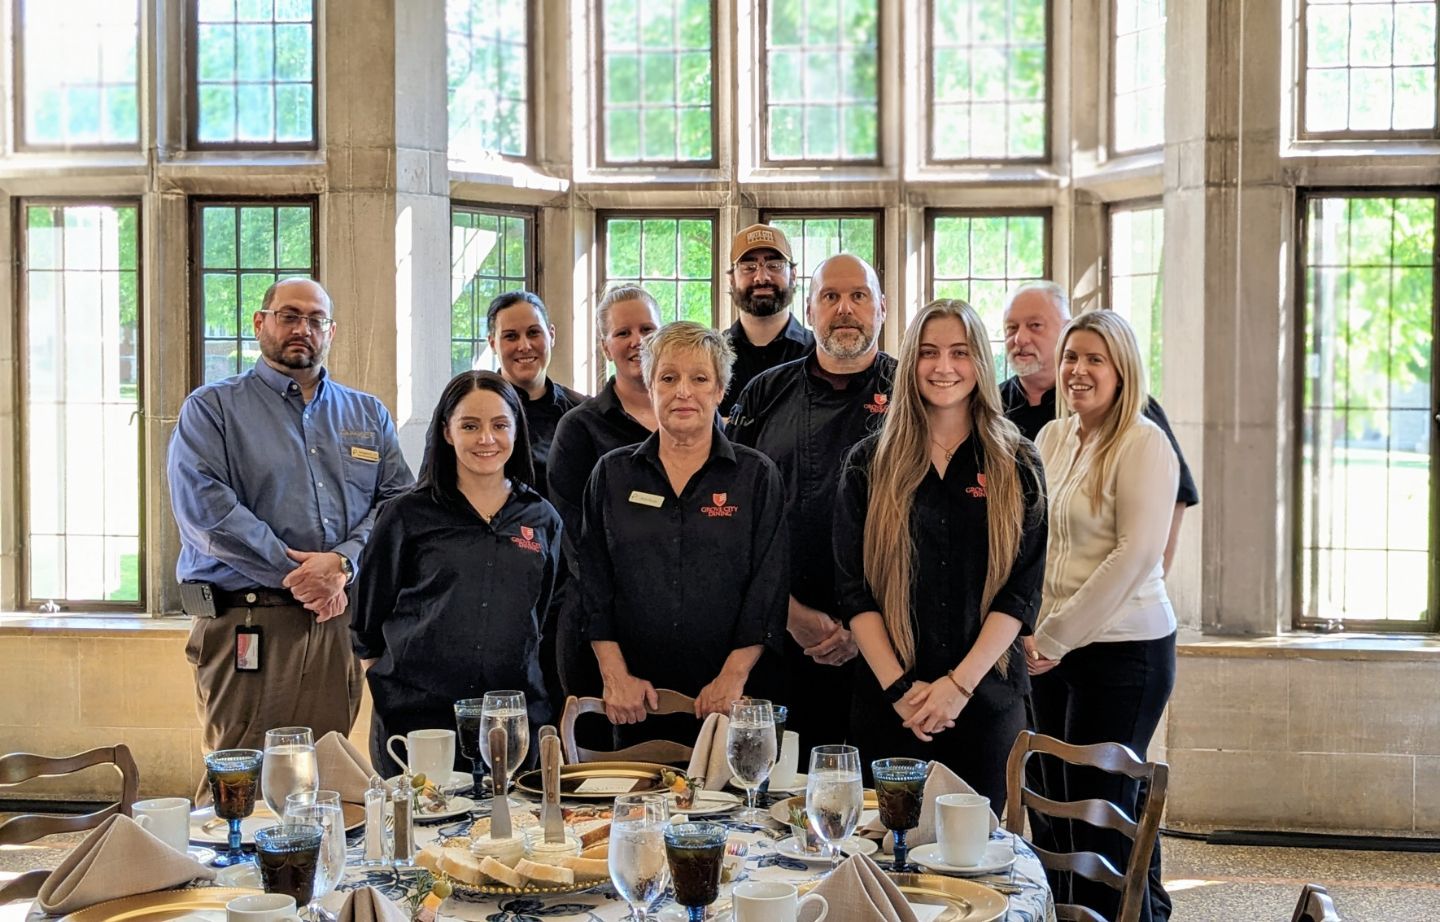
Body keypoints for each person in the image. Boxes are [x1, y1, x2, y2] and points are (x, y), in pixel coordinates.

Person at [169, 277, 413, 762]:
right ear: (261, 323)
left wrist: (342, 565)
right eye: (290, 316)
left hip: (335, 626)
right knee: (240, 784)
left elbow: (396, 504)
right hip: (248, 622)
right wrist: (304, 576)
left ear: (331, 331)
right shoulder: (212, 409)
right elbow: (208, 512)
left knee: (327, 780)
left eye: (315, 320)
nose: (303, 328)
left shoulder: (367, 415)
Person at [832, 300, 1047, 809]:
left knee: (987, 867)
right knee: (886, 863)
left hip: (987, 702)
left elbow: (1021, 592)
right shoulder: (868, 464)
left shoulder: (1018, 461)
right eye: (928, 353)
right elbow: (852, 590)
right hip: (891, 706)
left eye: (959, 352)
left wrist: (957, 687)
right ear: (910, 363)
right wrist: (902, 692)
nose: (943, 367)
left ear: (980, 361)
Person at [1027, 310, 1179, 922]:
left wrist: (1055, 637)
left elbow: (1135, 555)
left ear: (1122, 371)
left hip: (1124, 653)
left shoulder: (1145, 444)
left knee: (1104, 817)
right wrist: (1032, 632)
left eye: (1095, 359)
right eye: (1071, 357)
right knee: (1056, 808)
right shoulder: (1051, 439)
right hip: (1051, 649)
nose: (1078, 371)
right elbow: (1035, 544)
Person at [581, 322, 788, 740]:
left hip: (733, 699)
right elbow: (593, 582)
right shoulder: (612, 474)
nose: (683, 392)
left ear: (719, 390)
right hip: (636, 701)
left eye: (699, 379)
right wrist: (615, 675)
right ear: (650, 387)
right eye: (668, 378)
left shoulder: (756, 476)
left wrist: (733, 677)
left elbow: (768, 585)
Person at [726, 253, 895, 759]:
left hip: (888, 646)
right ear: (812, 308)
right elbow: (734, 519)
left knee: (877, 808)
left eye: (858, 296)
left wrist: (867, 626)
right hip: (783, 639)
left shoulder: (912, 394)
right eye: (831, 297)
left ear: (881, 308)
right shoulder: (763, 394)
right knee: (781, 801)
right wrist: (788, 612)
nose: (845, 309)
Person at [352, 371, 561, 777]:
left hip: (512, 722)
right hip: (419, 721)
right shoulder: (405, 516)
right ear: (447, 432)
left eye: (500, 425)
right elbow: (367, 622)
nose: (486, 439)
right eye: (470, 426)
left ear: (517, 431)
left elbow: (547, 612)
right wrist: (394, 687)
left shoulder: (541, 518)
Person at [1000, 281, 1197, 574]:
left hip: (1111, 589)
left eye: (1035, 326)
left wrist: (1151, 580)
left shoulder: (1129, 408)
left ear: (1066, 329)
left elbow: (1174, 502)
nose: (1020, 338)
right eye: (1011, 328)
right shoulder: (993, 405)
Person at [547, 287, 661, 711]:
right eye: (623, 332)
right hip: (596, 631)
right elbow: (578, 544)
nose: (637, 341)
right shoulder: (579, 429)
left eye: (648, 328)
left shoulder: (698, 422)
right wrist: (611, 660)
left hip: (676, 630)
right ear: (604, 347)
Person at [483, 291, 587, 500]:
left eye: (533, 333)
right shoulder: (467, 411)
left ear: (551, 335)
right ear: (493, 343)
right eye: (510, 336)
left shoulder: (583, 412)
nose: (524, 346)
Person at [720, 223, 815, 415]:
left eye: (774, 266)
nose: (761, 277)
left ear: (793, 276)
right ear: (731, 280)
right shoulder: (712, 355)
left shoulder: (818, 354)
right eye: (749, 267)